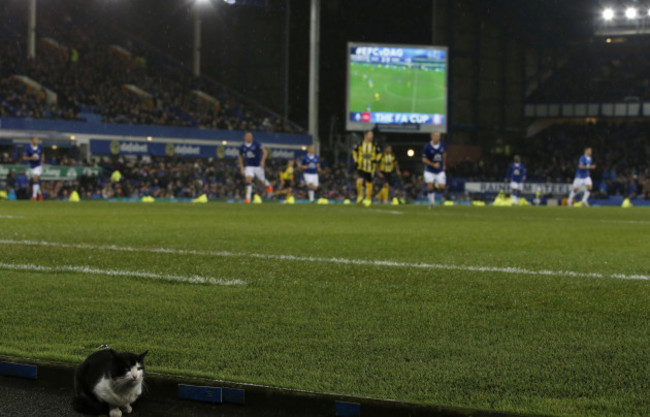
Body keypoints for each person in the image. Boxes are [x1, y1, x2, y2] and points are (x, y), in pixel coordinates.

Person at [238, 131, 272, 203]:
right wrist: (242, 167)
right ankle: (248, 198)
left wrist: (262, 161)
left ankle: (269, 186)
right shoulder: (242, 147)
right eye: (248, 136)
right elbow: (240, 157)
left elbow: (265, 152)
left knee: (262, 181)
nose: (250, 137)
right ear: (245, 137)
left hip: (258, 166)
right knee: (248, 179)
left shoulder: (257, 144)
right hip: (248, 166)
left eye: (251, 136)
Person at [352, 129, 381, 204]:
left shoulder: (374, 144)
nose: (372, 136)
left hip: (370, 167)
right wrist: (355, 160)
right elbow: (354, 152)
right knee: (359, 180)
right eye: (370, 134)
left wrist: (376, 160)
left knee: (369, 182)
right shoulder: (360, 143)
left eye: (372, 135)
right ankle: (360, 196)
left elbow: (379, 154)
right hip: (361, 165)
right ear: (365, 135)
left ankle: (368, 199)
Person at [422, 131, 446, 208]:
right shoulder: (427, 147)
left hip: (439, 170)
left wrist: (444, 164)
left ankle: (435, 184)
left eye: (438, 136)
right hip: (429, 170)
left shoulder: (442, 144)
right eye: (435, 136)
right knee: (430, 186)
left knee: (442, 187)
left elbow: (444, 154)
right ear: (431, 137)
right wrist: (433, 164)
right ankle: (432, 203)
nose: (437, 137)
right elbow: (424, 159)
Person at [23, 136, 44, 201]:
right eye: (35, 140)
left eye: (37, 140)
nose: (36, 141)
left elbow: (42, 153)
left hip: (38, 165)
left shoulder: (40, 147)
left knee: (35, 178)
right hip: (32, 166)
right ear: (32, 141)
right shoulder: (28, 147)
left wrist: (43, 158)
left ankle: (34, 197)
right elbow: (24, 157)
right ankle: (40, 194)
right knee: (36, 181)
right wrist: (31, 158)